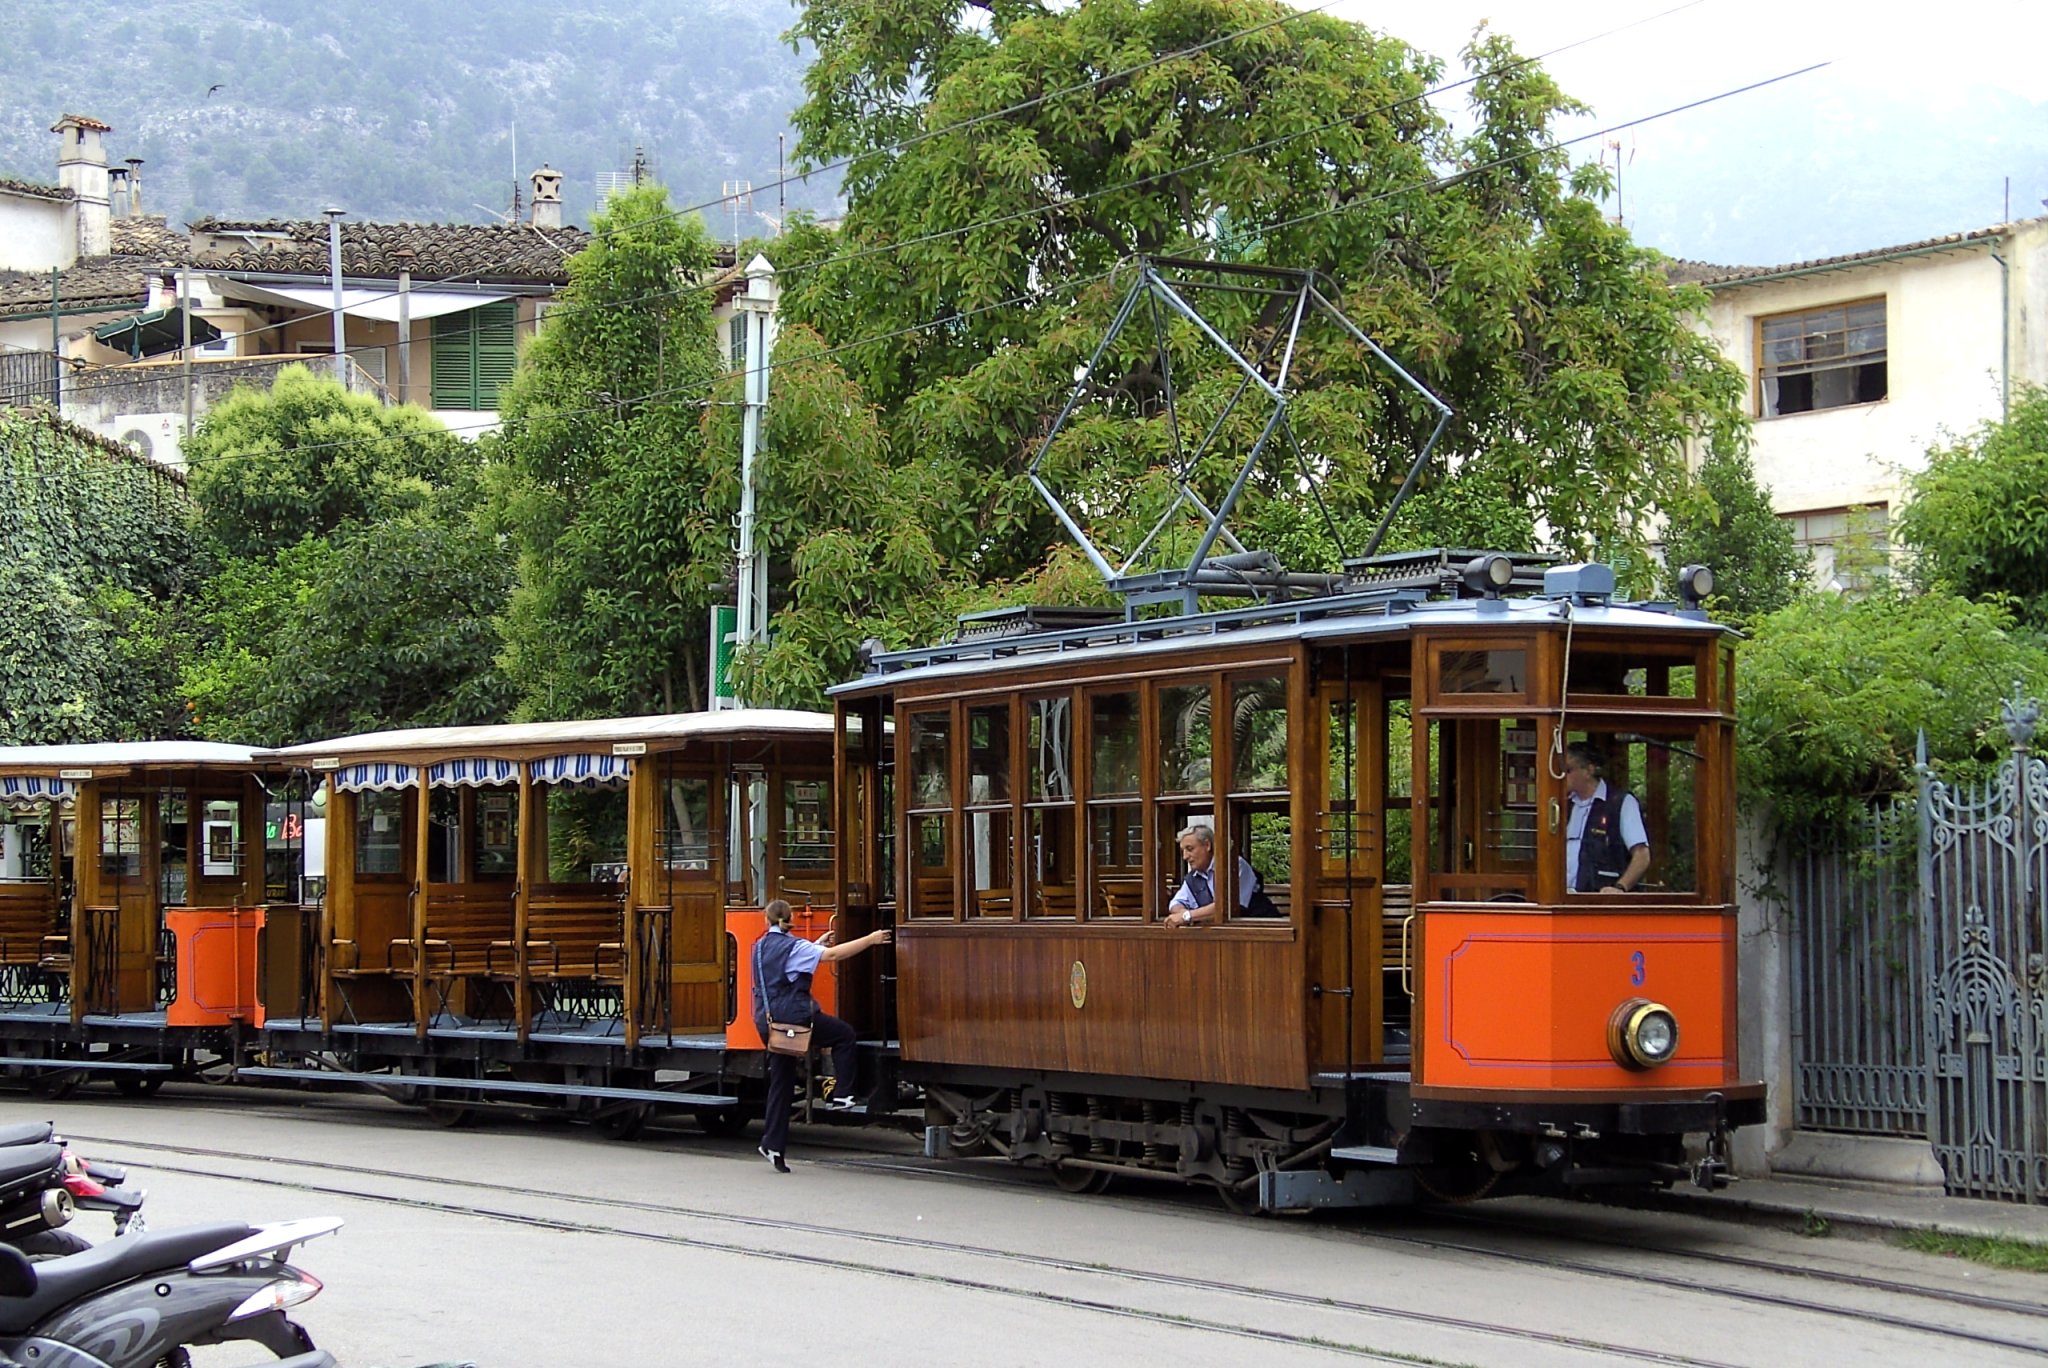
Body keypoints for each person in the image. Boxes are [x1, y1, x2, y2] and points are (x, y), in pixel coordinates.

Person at [752, 899, 892, 1173]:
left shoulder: (758, 947)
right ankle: (842, 1094)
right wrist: (871, 939)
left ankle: (772, 1145)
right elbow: (834, 955)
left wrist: (816, 944)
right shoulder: (796, 947)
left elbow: (784, 967)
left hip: (769, 1023)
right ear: (791, 918)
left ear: (766, 920)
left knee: (781, 1083)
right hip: (794, 1019)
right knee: (843, 1035)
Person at [1563, 742, 1650, 893]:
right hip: (1565, 899)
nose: (1561, 776)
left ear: (1588, 771)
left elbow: (1642, 855)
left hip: (1601, 901)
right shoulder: (1564, 805)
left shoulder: (1621, 802)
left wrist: (1620, 888)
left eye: (1568, 770)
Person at [1164, 823, 1279, 926]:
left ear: (1207, 845)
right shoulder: (1193, 876)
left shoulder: (1234, 866)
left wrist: (1188, 916)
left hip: (1262, 930)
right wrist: (1183, 914)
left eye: (1190, 849)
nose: (1185, 857)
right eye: (1183, 851)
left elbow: (1227, 907)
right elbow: (1176, 903)